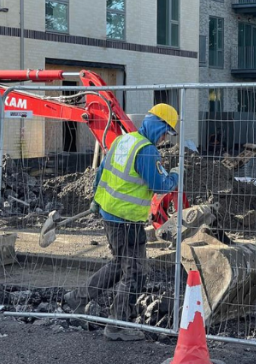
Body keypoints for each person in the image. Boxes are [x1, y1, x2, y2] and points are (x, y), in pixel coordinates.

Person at [85, 104, 180, 341]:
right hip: (126, 220)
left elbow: (101, 173)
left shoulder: (123, 140)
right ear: (158, 125)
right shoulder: (146, 151)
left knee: (120, 265)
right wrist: (177, 175)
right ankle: (117, 325)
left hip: (113, 216)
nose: (165, 138)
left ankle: (78, 298)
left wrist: (96, 200)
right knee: (134, 274)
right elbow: (159, 186)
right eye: (166, 131)